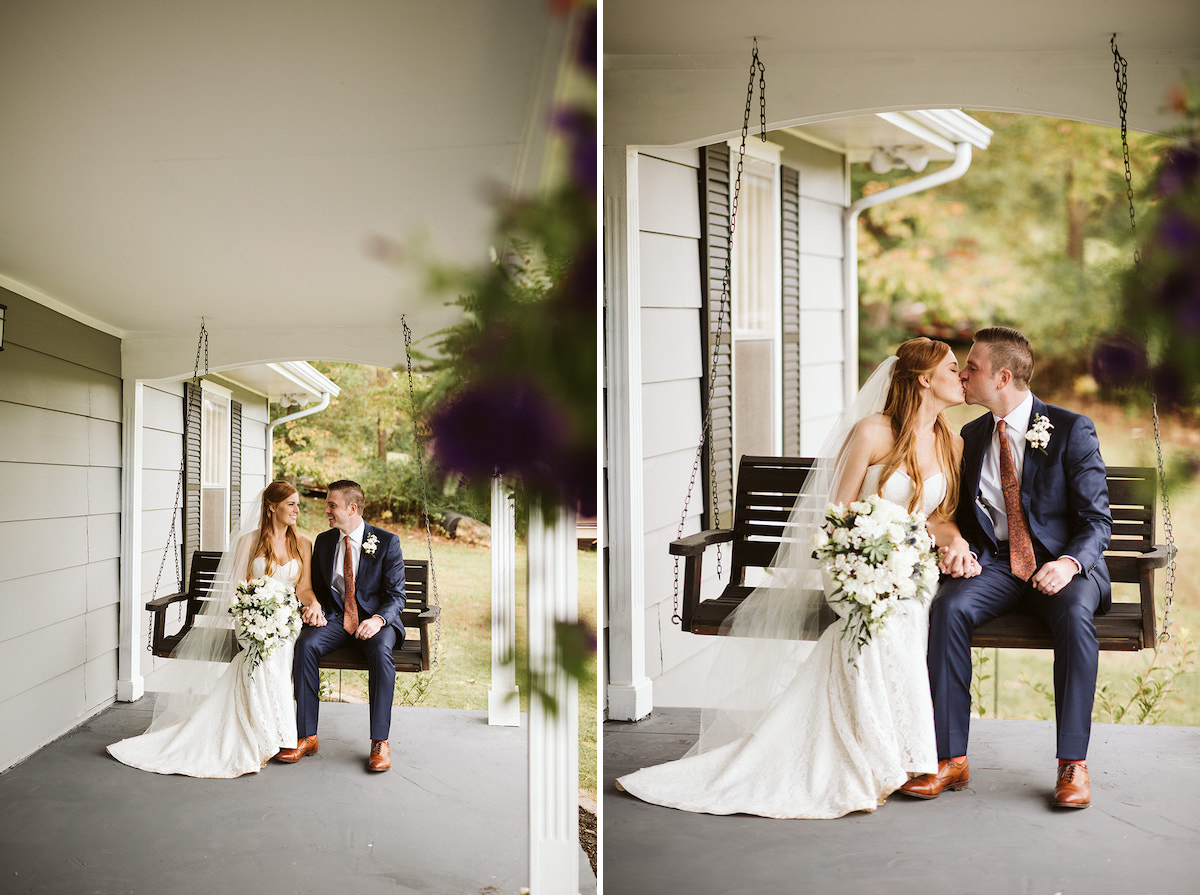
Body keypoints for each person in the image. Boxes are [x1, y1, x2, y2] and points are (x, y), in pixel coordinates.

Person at [616, 338, 980, 818]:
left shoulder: (950, 441)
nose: (962, 376)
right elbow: (834, 512)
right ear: (924, 378)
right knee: (882, 619)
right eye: (953, 368)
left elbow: (940, 518)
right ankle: (883, 756)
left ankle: (899, 752)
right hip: (854, 562)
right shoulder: (872, 432)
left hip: (910, 566)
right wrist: (863, 555)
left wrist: (953, 542)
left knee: (907, 611)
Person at [901, 327, 1111, 809]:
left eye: (970, 367)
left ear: (1003, 377)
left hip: (1061, 568)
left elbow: (1098, 520)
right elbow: (949, 512)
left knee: (1076, 617)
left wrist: (1068, 562)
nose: (963, 374)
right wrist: (962, 550)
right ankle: (949, 758)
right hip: (996, 565)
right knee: (948, 608)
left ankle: (1072, 764)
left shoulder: (1070, 429)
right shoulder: (969, 437)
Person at [108, 481, 314, 777]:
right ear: (272, 507)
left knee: (278, 649)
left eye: (297, 504)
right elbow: (236, 590)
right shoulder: (248, 542)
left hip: (286, 620)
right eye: (291, 504)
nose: (297, 509)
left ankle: (273, 732)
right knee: (263, 651)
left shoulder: (303, 543)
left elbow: (304, 588)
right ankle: (270, 735)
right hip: (251, 618)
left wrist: (313, 604)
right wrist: (252, 611)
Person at [274, 480, 406, 772]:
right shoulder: (323, 541)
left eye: (331, 505)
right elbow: (316, 589)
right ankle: (307, 735)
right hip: (335, 620)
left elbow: (397, 596)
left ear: (352, 508)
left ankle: (380, 741)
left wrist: (377, 620)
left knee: (382, 654)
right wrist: (314, 609)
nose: (326, 511)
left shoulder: (386, 542)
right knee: (306, 645)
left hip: (374, 621)